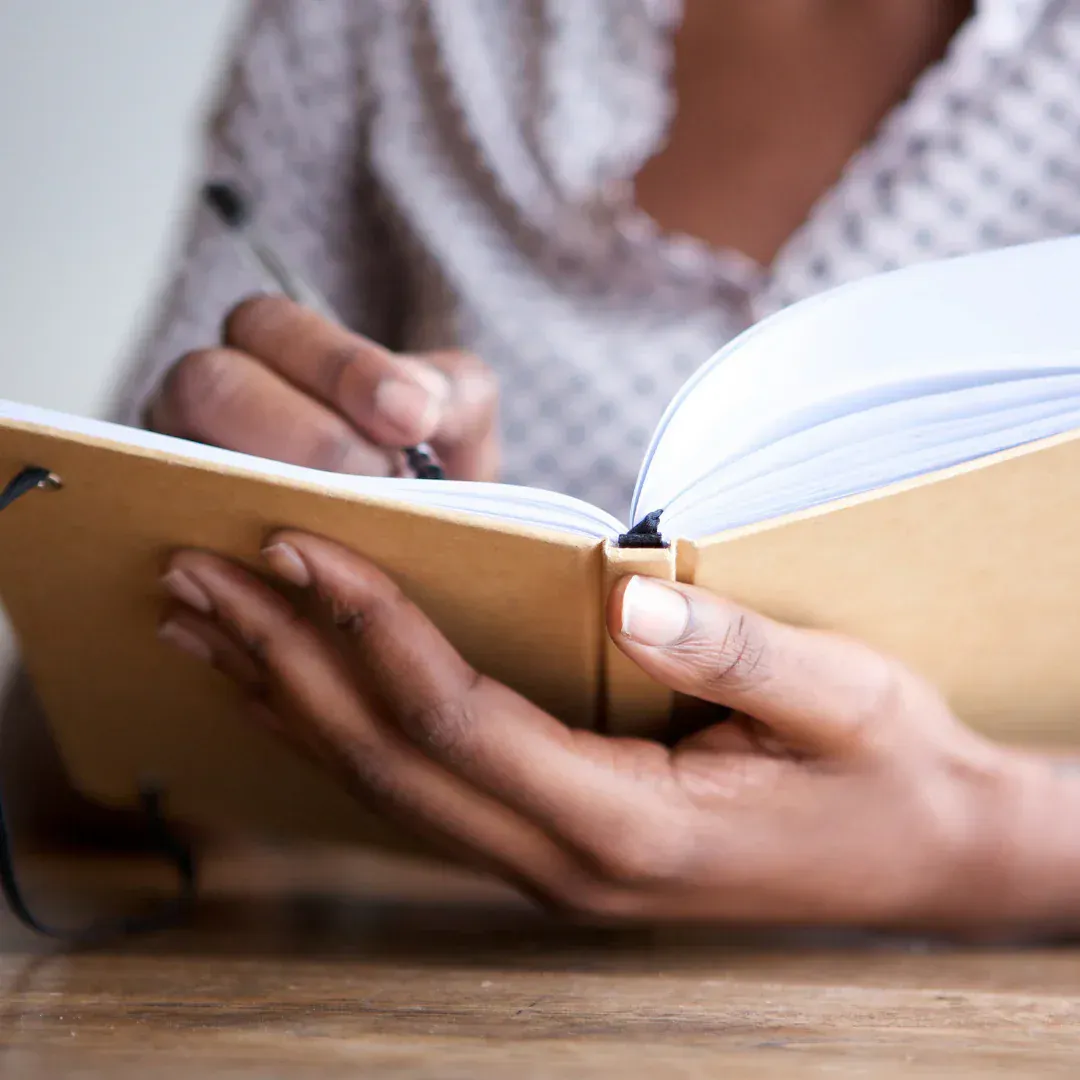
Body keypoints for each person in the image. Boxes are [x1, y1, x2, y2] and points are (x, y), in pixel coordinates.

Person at [36, 0, 1080, 933]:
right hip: (394, 998)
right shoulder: (375, 25)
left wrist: (992, 844)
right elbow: (56, 765)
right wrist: (191, 573)